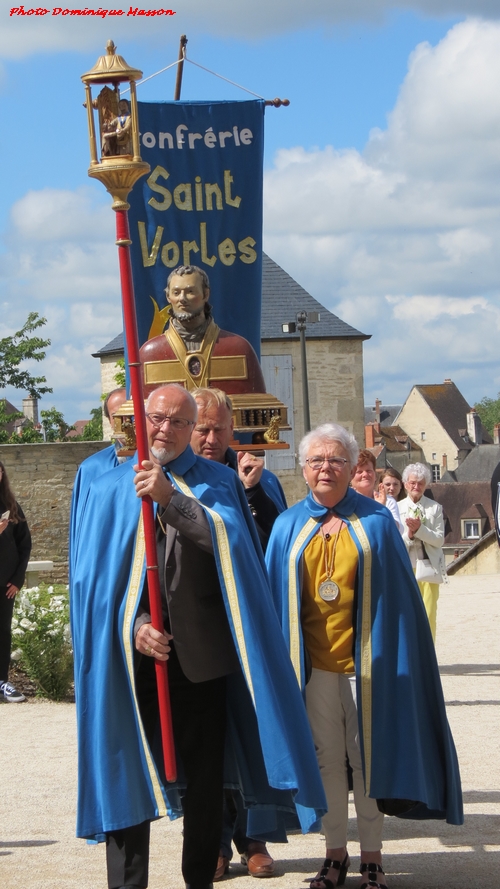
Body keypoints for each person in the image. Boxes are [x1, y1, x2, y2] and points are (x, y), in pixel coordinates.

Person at [70, 384, 326, 889]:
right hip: (132, 660)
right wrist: (137, 625)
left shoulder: (217, 481)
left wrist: (171, 500)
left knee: (207, 783)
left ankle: (199, 880)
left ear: (193, 430)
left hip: (202, 658)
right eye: (156, 419)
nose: (165, 429)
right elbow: (96, 585)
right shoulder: (107, 484)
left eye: (179, 422)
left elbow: (231, 547)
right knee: (125, 771)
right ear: (139, 421)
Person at [266, 424, 463, 889]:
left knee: (367, 763)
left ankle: (372, 857)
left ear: (353, 467)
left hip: (367, 670)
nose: (325, 468)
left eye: (335, 460)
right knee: (327, 762)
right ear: (303, 468)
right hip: (312, 668)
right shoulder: (286, 525)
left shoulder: (376, 522)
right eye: (316, 460)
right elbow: (274, 603)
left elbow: (399, 604)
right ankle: (335, 854)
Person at [190, 387, 286, 879]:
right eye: (201, 429)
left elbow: (271, 544)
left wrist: (250, 492)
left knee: (253, 733)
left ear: (233, 430)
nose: (209, 439)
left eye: (218, 429)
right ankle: (214, 842)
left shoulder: (257, 476)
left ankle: (253, 838)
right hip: (203, 627)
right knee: (211, 740)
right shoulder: (180, 476)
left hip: (249, 625)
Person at [139, 265, 266, 396]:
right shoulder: (151, 353)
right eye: (176, 293)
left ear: (206, 294)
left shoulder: (238, 348)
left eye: (190, 292)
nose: (182, 299)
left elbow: (258, 406)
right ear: (168, 297)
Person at [69, 388, 128, 578]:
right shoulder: (92, 469)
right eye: (117, 416)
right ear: (110, 421)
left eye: (130, 414)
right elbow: (84, 534)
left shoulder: (161, 462)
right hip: (108, 569)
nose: (125, 423)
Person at [399, 463, 447, 641]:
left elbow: (439, 539)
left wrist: (420, 530)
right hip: (405, 569)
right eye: (412, 483)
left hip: (428, 568)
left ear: (425, 485)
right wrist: (410, 535)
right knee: (405, 615)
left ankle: (427, 660)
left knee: (428, 615)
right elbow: (395, 542)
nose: (416, 487)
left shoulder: (435, 508)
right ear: (405, 484)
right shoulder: (396, 508)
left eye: (420, 483)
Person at [0, 460, 32, 703]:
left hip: (6, 584)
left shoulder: (11, 506)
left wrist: (18, 580)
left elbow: (25, 544)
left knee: (3, 632)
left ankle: (2, 682)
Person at [351, 450, 402, 531]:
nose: (365, 475)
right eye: (359, 471)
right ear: (350, 476)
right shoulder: (346, 501)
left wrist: (381, 509)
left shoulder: (388, 501)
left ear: (375, 475)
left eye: (369, 471)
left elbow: (397, 530)